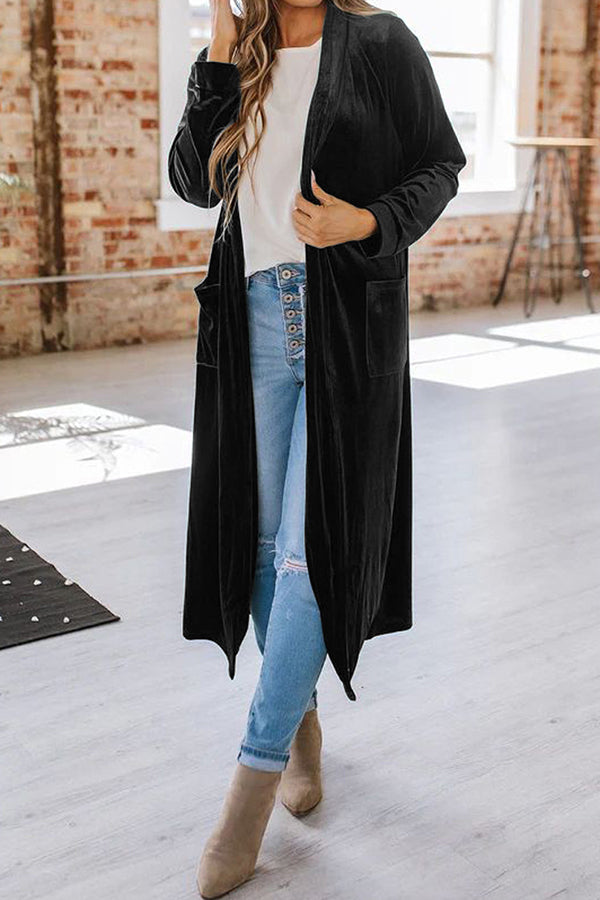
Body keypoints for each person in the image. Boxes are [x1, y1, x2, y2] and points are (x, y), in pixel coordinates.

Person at [169, 0, 466, 895]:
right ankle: (299, 719)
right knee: (260, 547)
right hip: (253, 321)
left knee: (308, 551)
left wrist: (367, 221)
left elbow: (441, 163)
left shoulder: (382, 41)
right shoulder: (239, 54)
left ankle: (249, 788)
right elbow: (192, 184)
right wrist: (219, 60)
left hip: (344, 323)